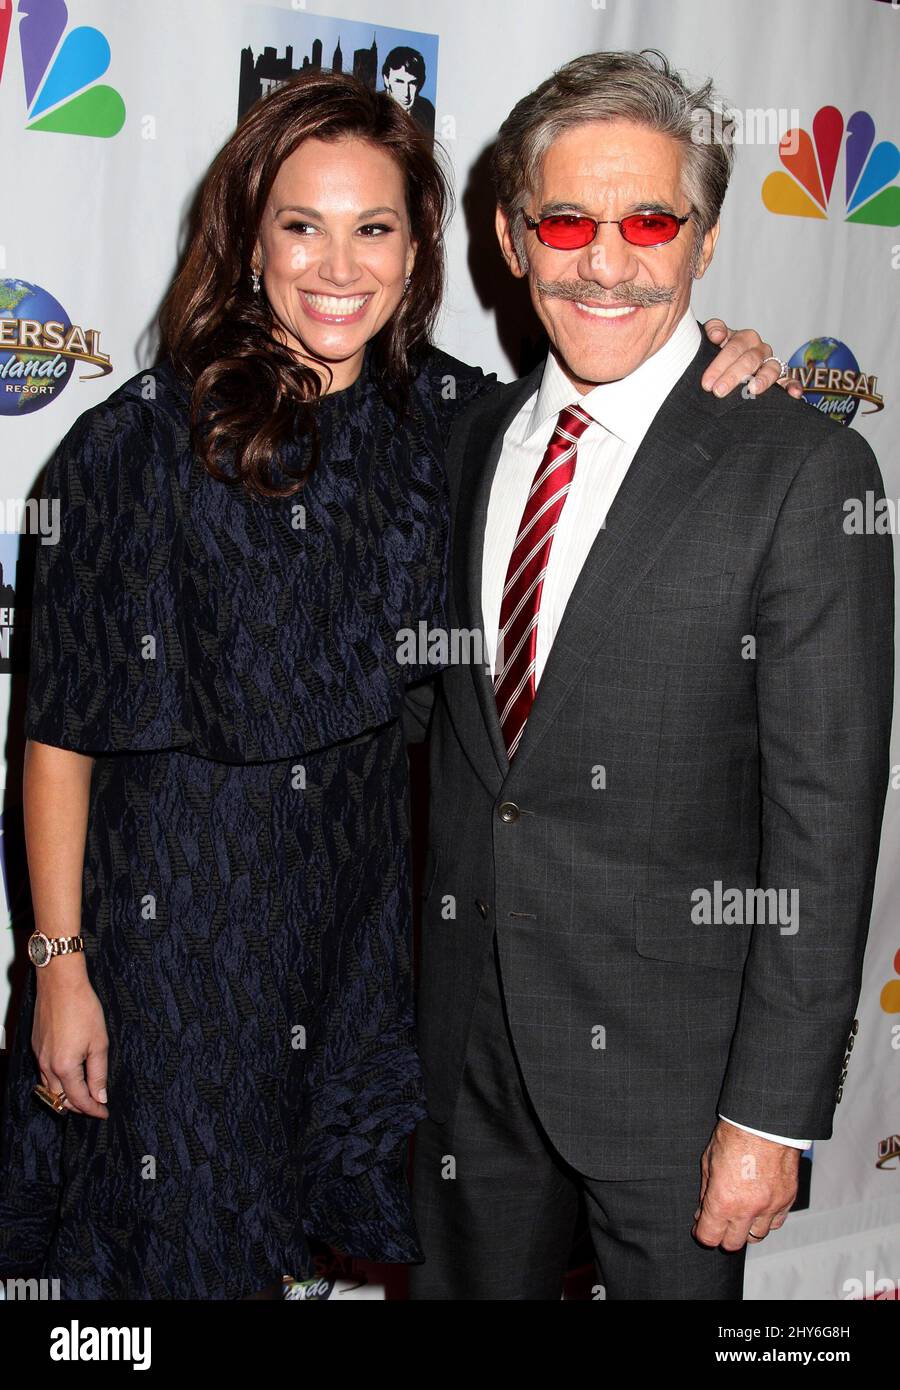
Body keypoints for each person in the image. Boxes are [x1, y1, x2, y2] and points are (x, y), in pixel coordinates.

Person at [0, 65, 788, 1302]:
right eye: (300, 225)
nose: (337, 265)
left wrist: (729, 360)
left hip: (358, 941)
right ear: (246, 236)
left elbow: (614, 418)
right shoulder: (137, 440)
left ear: (424, 245)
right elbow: (57, 737)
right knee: (175, 1267)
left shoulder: (460, 425)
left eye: (374, 227)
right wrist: (58, 963)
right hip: (174, 940)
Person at [406, 50, 894, 1301]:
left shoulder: (802, 474)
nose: (606, 260)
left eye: (649, 220)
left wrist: (771, 1115)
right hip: (470, 1056)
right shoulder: (470, 439)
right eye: (566, 220)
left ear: (706, 239)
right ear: (514, 241)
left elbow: (825, 827)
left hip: (680, 1083)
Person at [382, 46, 435, 136]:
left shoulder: (426, 109)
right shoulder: (374, 110)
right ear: (386, 80)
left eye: (412, 83)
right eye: (399, 82)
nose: (406, 93)